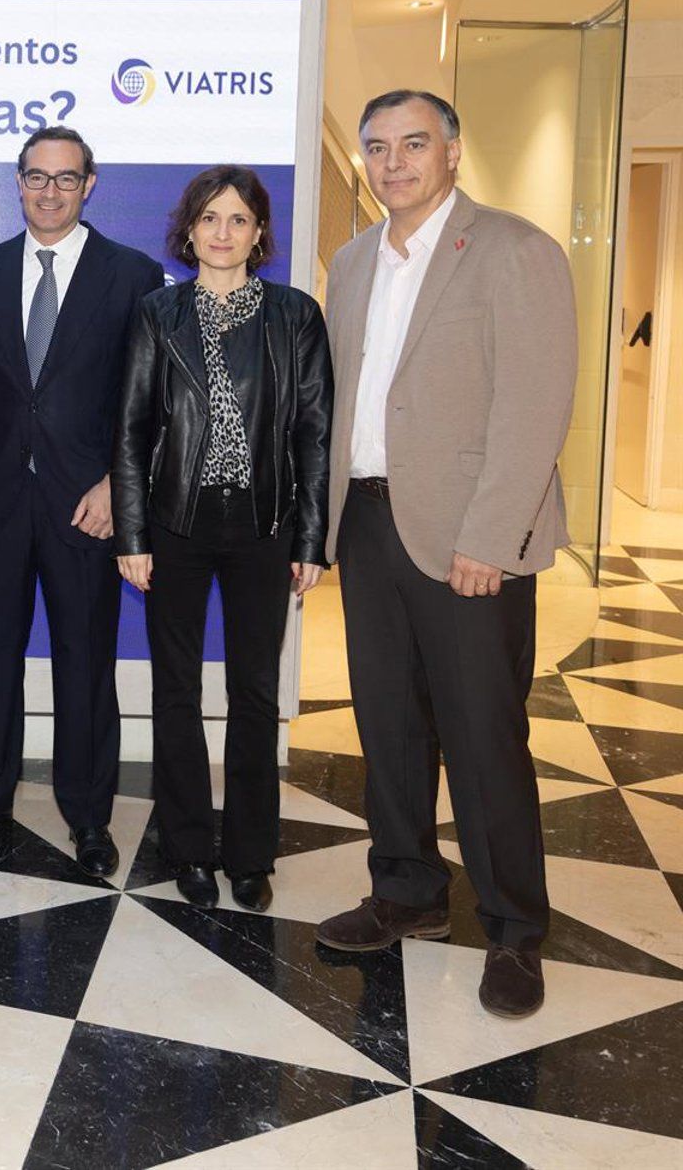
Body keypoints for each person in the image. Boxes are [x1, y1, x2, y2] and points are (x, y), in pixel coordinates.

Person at [314, 90, 576, 1019]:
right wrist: (321, 529)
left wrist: (489, 538)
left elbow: (535, 405)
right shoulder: (352, 261)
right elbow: (344, 403)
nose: (394, 162)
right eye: (378, 147)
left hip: (470, 535)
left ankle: (514, 931)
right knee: (388, 725)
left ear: (453, 151)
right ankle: (407, 893)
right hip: (370, 524)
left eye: (414, 143)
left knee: (482, 735)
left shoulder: (513, 249)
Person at [0, 127, 165, 875]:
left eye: (67, 178)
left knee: (85, 662)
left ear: (89, 185)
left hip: (88, 505)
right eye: (37, 177)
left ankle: (89, 817)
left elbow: (146, 397)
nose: (50, 191)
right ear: (19, 182)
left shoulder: (132, 274)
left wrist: (118, 485)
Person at [112, 165, 332, 912]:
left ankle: (249, 853)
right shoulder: (157, 313)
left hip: (265, 527)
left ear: (259, 231)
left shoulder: (295, 316)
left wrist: (310, 538)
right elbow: (130, 430)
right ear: (189, 229)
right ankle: (187, 848)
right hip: (175, 524)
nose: (222, 232)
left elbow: (314, 434)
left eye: (238, 219)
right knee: (175, 690)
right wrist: (132, 532)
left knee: (255, 691)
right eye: (209, 218)